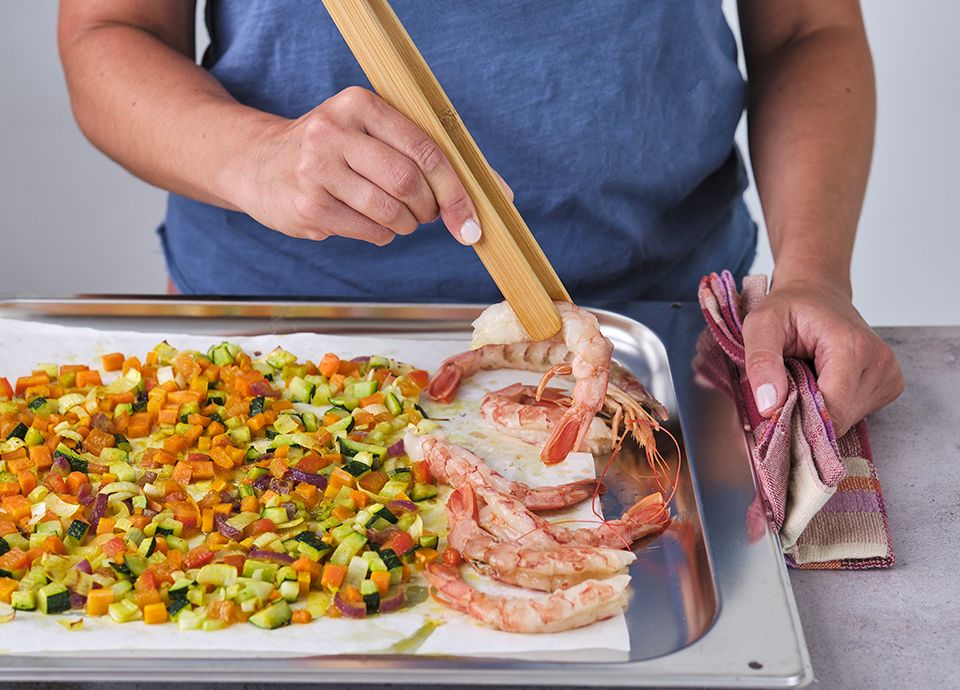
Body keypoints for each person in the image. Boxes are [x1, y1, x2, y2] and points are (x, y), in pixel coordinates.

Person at [57, 1, 903, 436]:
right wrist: (255, 155)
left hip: (661, 329)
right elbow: (108, 29)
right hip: (274, 326)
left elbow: (806, 25)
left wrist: (814, 274)